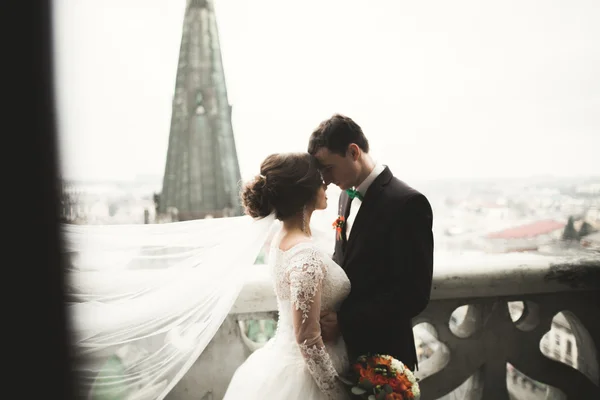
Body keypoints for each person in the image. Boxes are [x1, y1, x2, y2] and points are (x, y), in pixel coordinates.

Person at [308, 114, 434, 371]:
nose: (327, 180)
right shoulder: (345, 196)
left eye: (328, 168)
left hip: (387, 355)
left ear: (353, 152)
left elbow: (414, 294)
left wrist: (346, 322)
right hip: (346, 352)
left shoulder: (408, 203)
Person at [223, 152, 350, 400]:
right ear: (304, 192)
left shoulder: (281, 239)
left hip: (283, 356)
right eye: (319, 180)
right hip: (308, 377)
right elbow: (308, 340)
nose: (326, 184)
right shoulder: (305, 254)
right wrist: (338, 392)